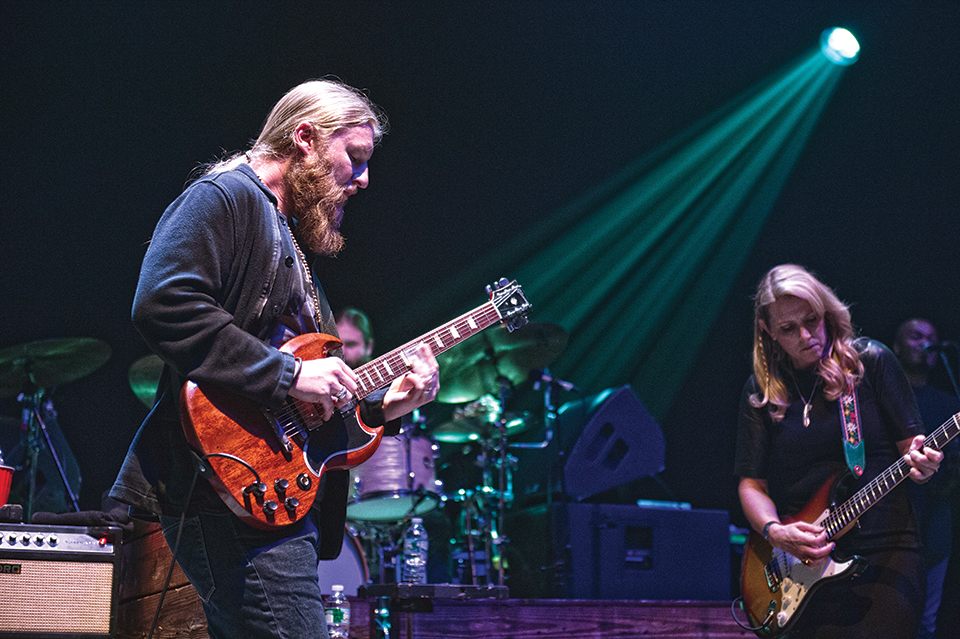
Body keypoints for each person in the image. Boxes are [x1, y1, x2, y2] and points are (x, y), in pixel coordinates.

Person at [109, 79, 440, 639]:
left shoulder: (286, 234)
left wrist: (384, 407)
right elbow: (163, 302)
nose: (363, 180)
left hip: (270, 495)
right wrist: (289, 373)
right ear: (305, 139)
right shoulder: (226, 198)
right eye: (353, 159)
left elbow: (312, 405)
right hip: (224, 487)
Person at [735, 264, 943, 639]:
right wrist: (776, 532)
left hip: (884, 553)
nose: (806, 335)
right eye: (787, 328)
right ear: (767, 331)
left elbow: (914, 454)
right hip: (800, 566)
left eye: (812, 319)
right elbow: (752, 484)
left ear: (826, 311)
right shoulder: (763, 389)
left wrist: (923, 464)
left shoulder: (870, 363)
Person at [892, 319, 960, 639]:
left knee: (924, 623)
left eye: (932, 338)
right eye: (916, 337)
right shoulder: (884, 398)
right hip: (890, 519)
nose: (926, 344)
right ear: (896, 346)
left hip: (934, 522)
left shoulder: (948, 403)